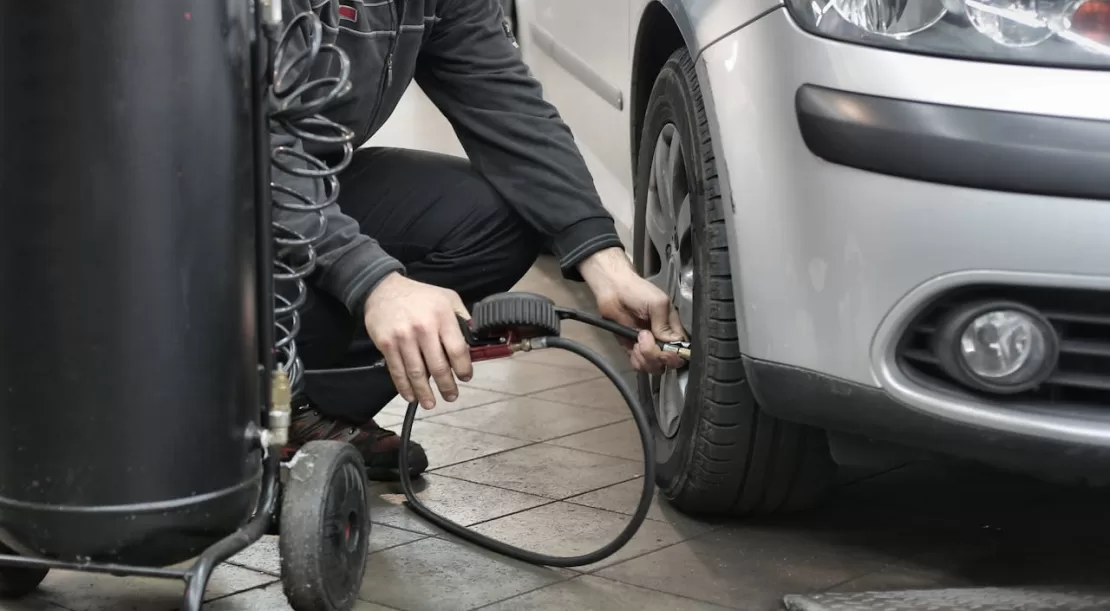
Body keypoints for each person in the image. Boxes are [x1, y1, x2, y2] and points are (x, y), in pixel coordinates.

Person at [273, 0, 686, 482]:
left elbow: (507, 105)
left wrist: (605, 263)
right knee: (318, 281)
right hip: (215, 202)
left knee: (498, 220)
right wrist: (374, 283)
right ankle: (227, 399)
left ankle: (302, 405)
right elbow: (240, 146)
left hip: (305, 178)